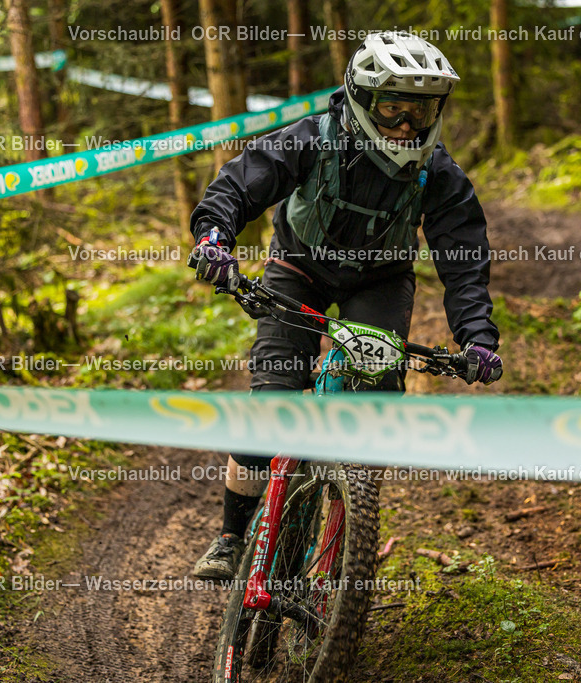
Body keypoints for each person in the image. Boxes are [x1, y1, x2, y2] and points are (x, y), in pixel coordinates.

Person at [188, 31, 503, 580]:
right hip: (298, 268)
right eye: (393, 107)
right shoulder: (311, 138)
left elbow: (464, 257)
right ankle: (231, 538)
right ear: (360, 99)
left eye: (422, 110)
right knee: (273, 404)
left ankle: (348, 534)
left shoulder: (439, 172)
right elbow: (239, 187)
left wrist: (477, 337)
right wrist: (213, 239)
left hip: (379, 280)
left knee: (375, 403)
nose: (408, 125)